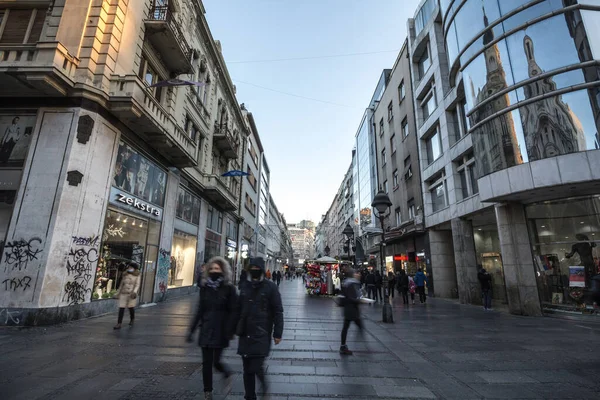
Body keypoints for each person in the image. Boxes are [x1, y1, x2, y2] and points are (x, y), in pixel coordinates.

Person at [187, 257, 238, 400]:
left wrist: (230, 329)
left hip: (221, 330)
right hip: (206, 328)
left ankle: (226, 373)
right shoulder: (205, 287)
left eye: (217, 269)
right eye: (212, 269)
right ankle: (207, 392)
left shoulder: (229, 288)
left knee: (216, 362)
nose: (214, 271)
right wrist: (191, 330)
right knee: (206, 363)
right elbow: (200, 310)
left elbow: (234, 310)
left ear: (223, 270)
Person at [237, 257, 284, 400]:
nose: (255, 271)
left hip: (262, 332)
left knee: (255, 366)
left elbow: (278, 311)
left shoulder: (270, 287)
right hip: (245, 333)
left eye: (257, 268)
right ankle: (249, 396)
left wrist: (278, 333)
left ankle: (264, 386)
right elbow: (238, 309)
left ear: (262, 270)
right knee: (247, 369)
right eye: (253, 268)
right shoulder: (245, 286)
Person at [340, 269, 363, 355]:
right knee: (358, 326)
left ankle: (343, 345)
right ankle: (345, 346)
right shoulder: (351, 284)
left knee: (346, 327)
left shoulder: (346, 283)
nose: (359, 274)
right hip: (351, 309)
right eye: (357, 273)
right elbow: (351, 297)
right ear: (353, 275)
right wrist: (360, 301)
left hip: (348, 309)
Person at [113, 261, 140, 329]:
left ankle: (132, 319)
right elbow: (121, 285)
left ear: (134, 268)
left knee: (131, 307)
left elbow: (137, 285)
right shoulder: (125, 274)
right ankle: (119, 323)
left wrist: (134, 292)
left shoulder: (137, 275)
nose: (129, 268)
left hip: (131, 294)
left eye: (131, 267)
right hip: (123, 293)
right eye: (129, 267)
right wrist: (117, 293)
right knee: (121, 308)